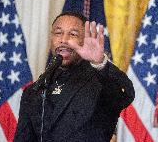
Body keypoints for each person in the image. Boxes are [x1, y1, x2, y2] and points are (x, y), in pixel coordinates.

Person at [14, 12, 135, 142]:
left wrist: (100, 63)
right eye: (58, 33)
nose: (64, 40)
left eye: (73, 34)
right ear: (51, 38)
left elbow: (125, 93)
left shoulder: (100, 82)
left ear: (85, 41)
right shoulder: (34, 91)